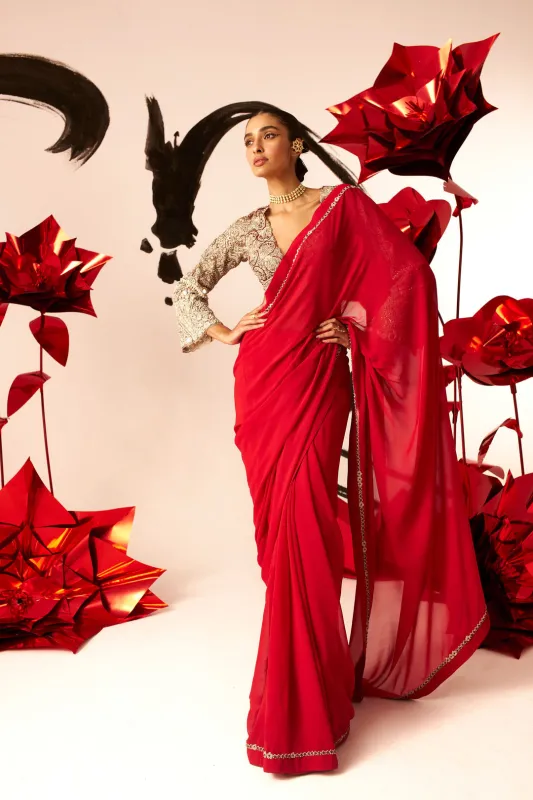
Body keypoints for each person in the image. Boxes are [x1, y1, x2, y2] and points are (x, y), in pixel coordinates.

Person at [172, 105, 490, 775]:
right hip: (263, 383)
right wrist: (229, 330)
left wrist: (355, 328)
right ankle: (305, 692)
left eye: (267, 136)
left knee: (307, 527)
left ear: (296, 144)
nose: (255, 148)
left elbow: (404, 279)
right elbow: (187, 286)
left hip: (319, 381)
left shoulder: (340, 208)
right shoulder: (247, 228)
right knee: (278, 539)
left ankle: (304, 702)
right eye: (247, 141)